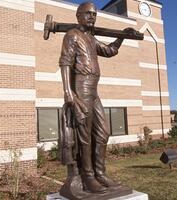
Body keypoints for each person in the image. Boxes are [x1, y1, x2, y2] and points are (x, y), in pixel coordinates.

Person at [59, 2, 125, 193]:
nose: (92, 17)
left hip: (94, 91)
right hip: (82, 88)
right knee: (85, 136)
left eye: (94, 14)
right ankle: (88, 177)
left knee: (103, 132)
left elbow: (110, 51)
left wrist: (120, 37)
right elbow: (64, 63)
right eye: (88, 13)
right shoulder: (72, 36)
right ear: (78, 15)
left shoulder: (90, 38)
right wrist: (68, 92)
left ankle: (100, 173)